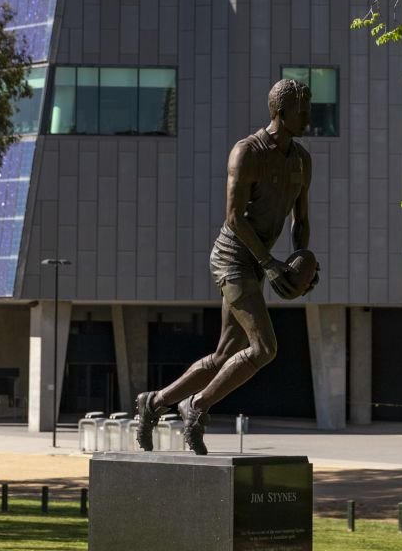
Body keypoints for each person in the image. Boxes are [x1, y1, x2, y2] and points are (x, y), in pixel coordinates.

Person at [133, 78, 315, 455]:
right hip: (232, 258)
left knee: (223, 354)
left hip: (257, 262)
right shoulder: (247, 152)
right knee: (264, 348)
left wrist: (302, 261)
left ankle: (152, 403)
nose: (308, 118)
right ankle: (196, 407)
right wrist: (269, 264)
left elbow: (300, 220)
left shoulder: (301, 159)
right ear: (280, 112)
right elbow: (234, 218)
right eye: (302, 111)